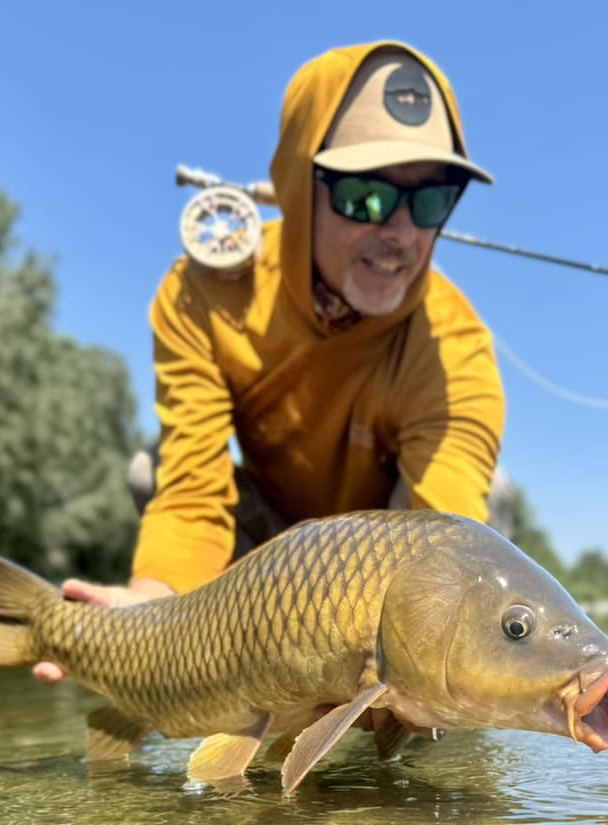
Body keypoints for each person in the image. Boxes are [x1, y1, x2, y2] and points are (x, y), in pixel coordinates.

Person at [34, 40, 505, 684]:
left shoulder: (455, 345)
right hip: (265, 563)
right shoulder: (205, 295)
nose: (400, 231)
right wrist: (146, 610)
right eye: (365, 197)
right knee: (152, 469)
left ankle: (440, 716)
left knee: (482, 516)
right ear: (296, 183)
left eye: (430, 202)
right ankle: (230, 674)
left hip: (389, 559)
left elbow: (439, 539)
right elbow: (194, 492)